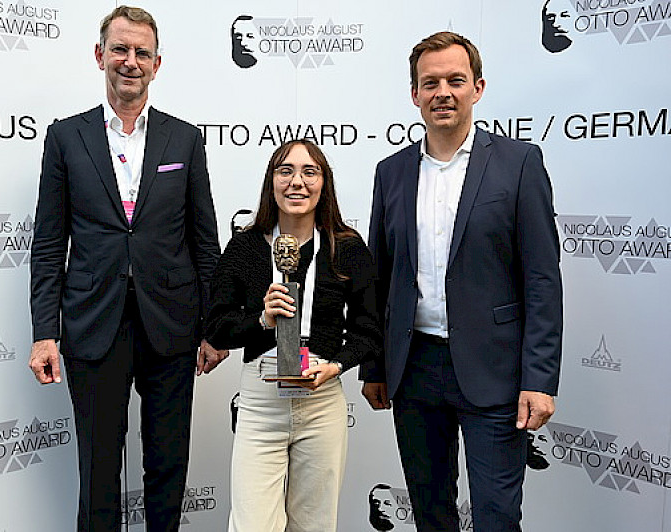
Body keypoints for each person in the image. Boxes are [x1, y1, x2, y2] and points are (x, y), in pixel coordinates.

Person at [28, 6, 226, 532]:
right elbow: (49, 246)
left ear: (157, 64)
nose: (130, 61)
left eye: (142, 52)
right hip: (94, 326)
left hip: (172, 326)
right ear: (100, 56)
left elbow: (204, 242)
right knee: (97, 473)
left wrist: (214, 326)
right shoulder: (66, 138)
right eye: (120, 49)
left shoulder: (184, 139)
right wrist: (45, 334)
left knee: (167, 467)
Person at [362, 32, 562, 532]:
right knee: (431, 515)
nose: (442, 92)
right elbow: (379, 278)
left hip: (495, 371)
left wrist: (538, 380)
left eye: (455, 80)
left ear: (478, 87)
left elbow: (541, 278)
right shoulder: (391, 173)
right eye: (430, 83)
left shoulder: (519, 163)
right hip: (415, 369)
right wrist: (374, 366)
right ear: (414, 95)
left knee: (496, 516)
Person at [205, 139, 382, 532]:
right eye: (285, 171)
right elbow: (216, 327)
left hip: (321, 400)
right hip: (260, 401)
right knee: (251, 525)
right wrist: (263, 321)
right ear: (271, 182)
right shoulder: (245, 247)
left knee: (314, 525)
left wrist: (336, 366)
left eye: (309, 171)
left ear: (324, 184)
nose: (296, 182)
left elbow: (369, 330)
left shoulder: (347, 247)